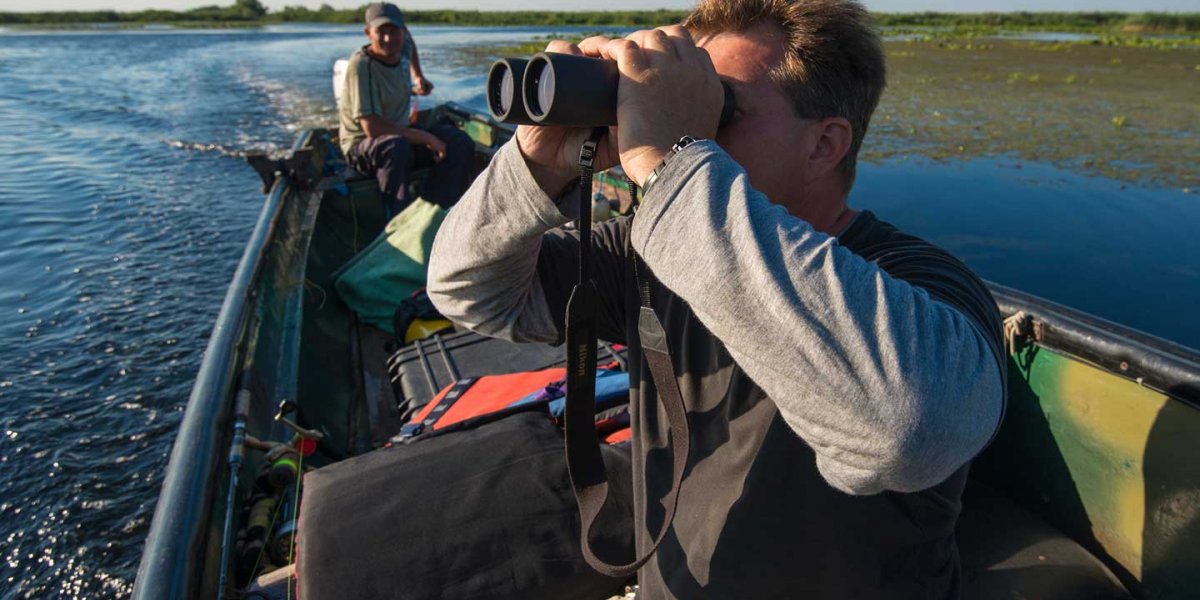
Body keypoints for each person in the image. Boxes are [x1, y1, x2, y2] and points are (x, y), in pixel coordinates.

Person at [428, 0, 1007, 597]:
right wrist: (537, 167)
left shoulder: (924, 284)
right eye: (682, 99)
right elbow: (468, 292)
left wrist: (669, 161)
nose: (683, 125)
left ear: (824, 145)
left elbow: (902, 429)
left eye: (716, 107)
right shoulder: (656, 250)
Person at [337, 2, 473, 217]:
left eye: (394, 31)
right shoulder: (362, 66)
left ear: (403, 31)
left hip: (401, 133)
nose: (389, 39)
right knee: (396, 146)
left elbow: (410, 45)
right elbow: (372, 128)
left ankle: (437, 213)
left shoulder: (402, 46)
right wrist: (427, 138)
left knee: (459, 142)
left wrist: (418, 75)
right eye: (381, 32)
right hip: (363, 144)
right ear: (368, 33)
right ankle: (400, 219)